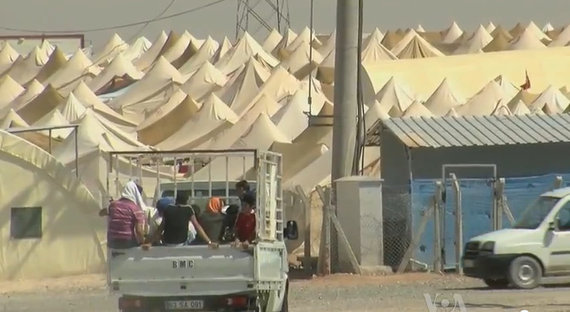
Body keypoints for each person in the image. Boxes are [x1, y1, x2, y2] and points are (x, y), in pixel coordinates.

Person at [107, 181, 146, 249]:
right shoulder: (135, 208)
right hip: (127, 242)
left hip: (112, 242)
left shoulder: (113, 205)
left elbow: (103, 212)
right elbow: (139, 231)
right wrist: (143, 243)